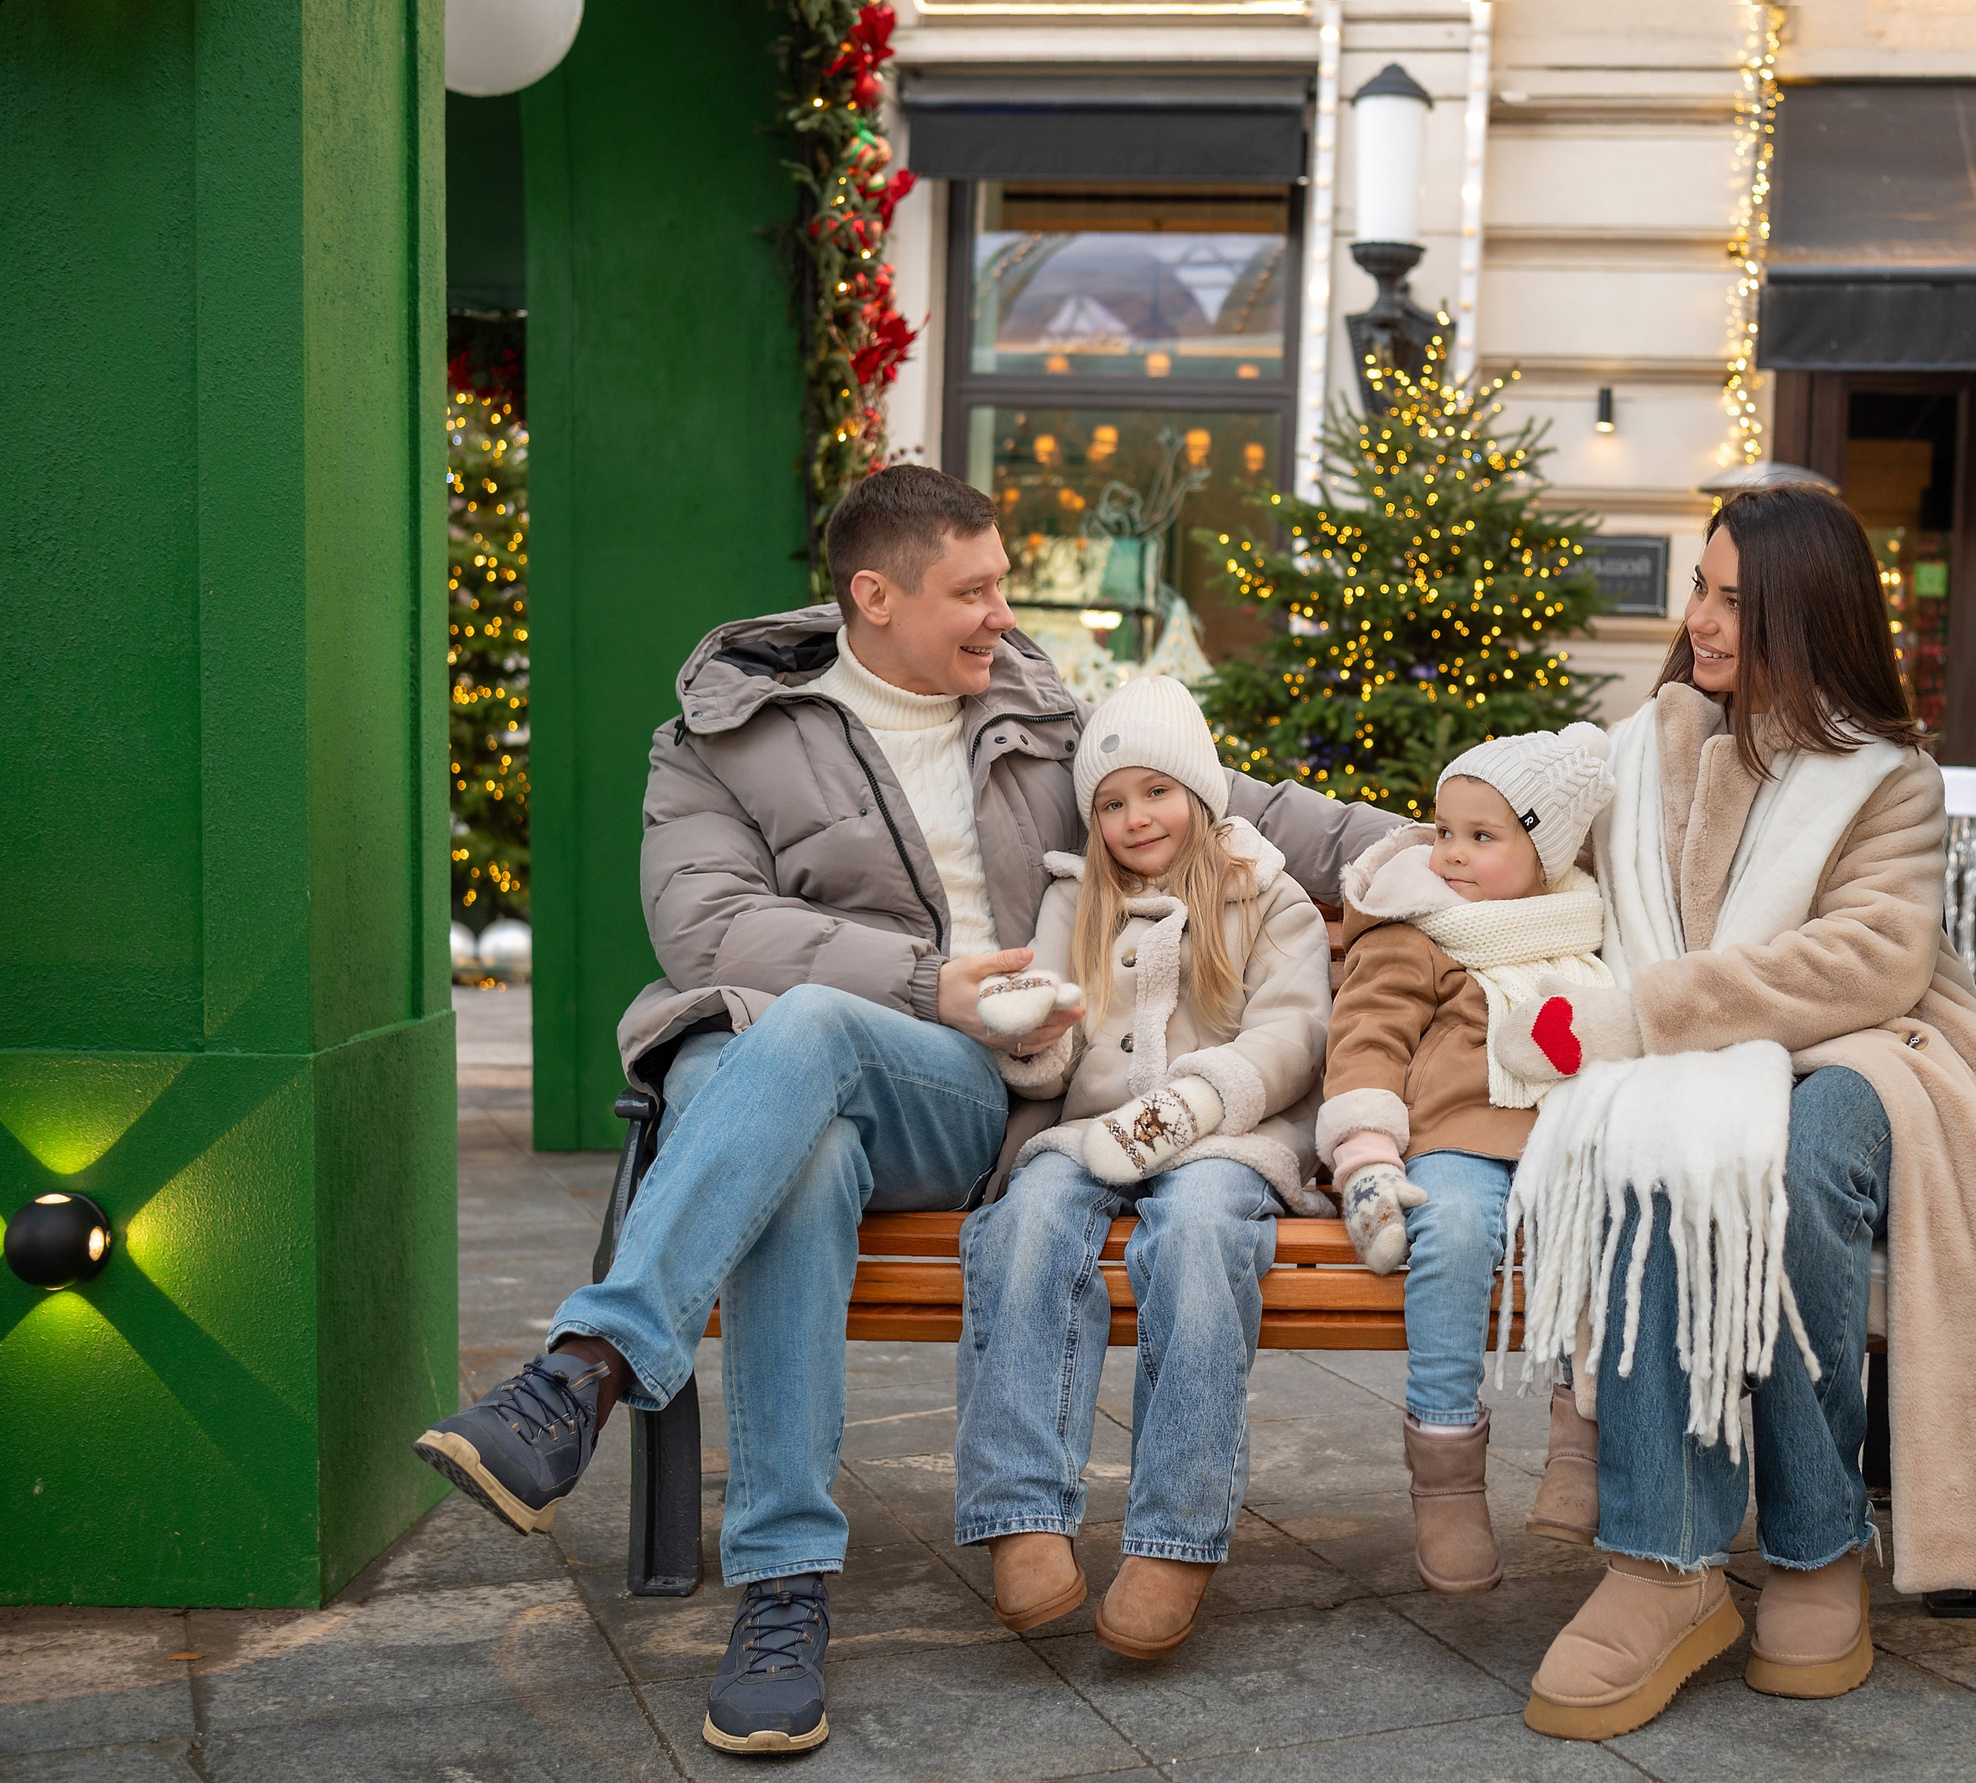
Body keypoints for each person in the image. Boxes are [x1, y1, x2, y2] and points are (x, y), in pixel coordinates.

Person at [412, 468, 1398, 1755]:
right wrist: (928, 979)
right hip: (799, 1070)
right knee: (802, 1139)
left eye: (1000, 583)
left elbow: (1246, 810)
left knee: (807, 1040)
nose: (1002, 614)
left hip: (972, 1092)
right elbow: (707, 924)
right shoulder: (718, 739)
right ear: (875, 596)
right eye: (973, 590)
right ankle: (782, 1592)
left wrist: (1469, 840)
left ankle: (585, 1370)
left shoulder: (1040, 718)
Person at [1486, 483, 1976, 1741]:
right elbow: (1505, 836)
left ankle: (1813, 1543)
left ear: (1805, 613)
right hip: (1687, 1054)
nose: (1705, 619)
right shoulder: (1636, 749)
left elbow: (1869, 962)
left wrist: (1651, 1014)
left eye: (1737, 598)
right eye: (1699, 588)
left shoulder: (1886, 777)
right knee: (1667, 1149)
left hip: (1871, 1051)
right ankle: (1663, 1562)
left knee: (1788, 1165)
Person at [951, 677, 1334, 1659]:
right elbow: (1047, 1049)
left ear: (1200, 795)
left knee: (1202, 1231)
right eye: (1110, 803)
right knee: (1028, 1219)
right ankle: (1020, 1511)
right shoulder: (1075, 899)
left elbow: (1295, 1034)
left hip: (1225, 1136)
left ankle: (1177, 1530)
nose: (1133, 819)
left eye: (1154, 793)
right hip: (1094, 1131)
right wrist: (1032, 1034)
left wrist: (1197, 1103)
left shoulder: (1269, 896)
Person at [1314, 727, 1616, 1593]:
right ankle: (1447, 1479)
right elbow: (1367, 1033)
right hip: (1454, 1138)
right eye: (1444, 830)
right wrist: (1368, 1149)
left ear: (1544, 854)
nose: (1450, 855)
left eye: (1482, 838)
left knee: (1601, 1227)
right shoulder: (1419, 929)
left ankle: (1581, 1447)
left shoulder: (1581, 931)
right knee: (1446, 1232)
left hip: (1567, 1138)